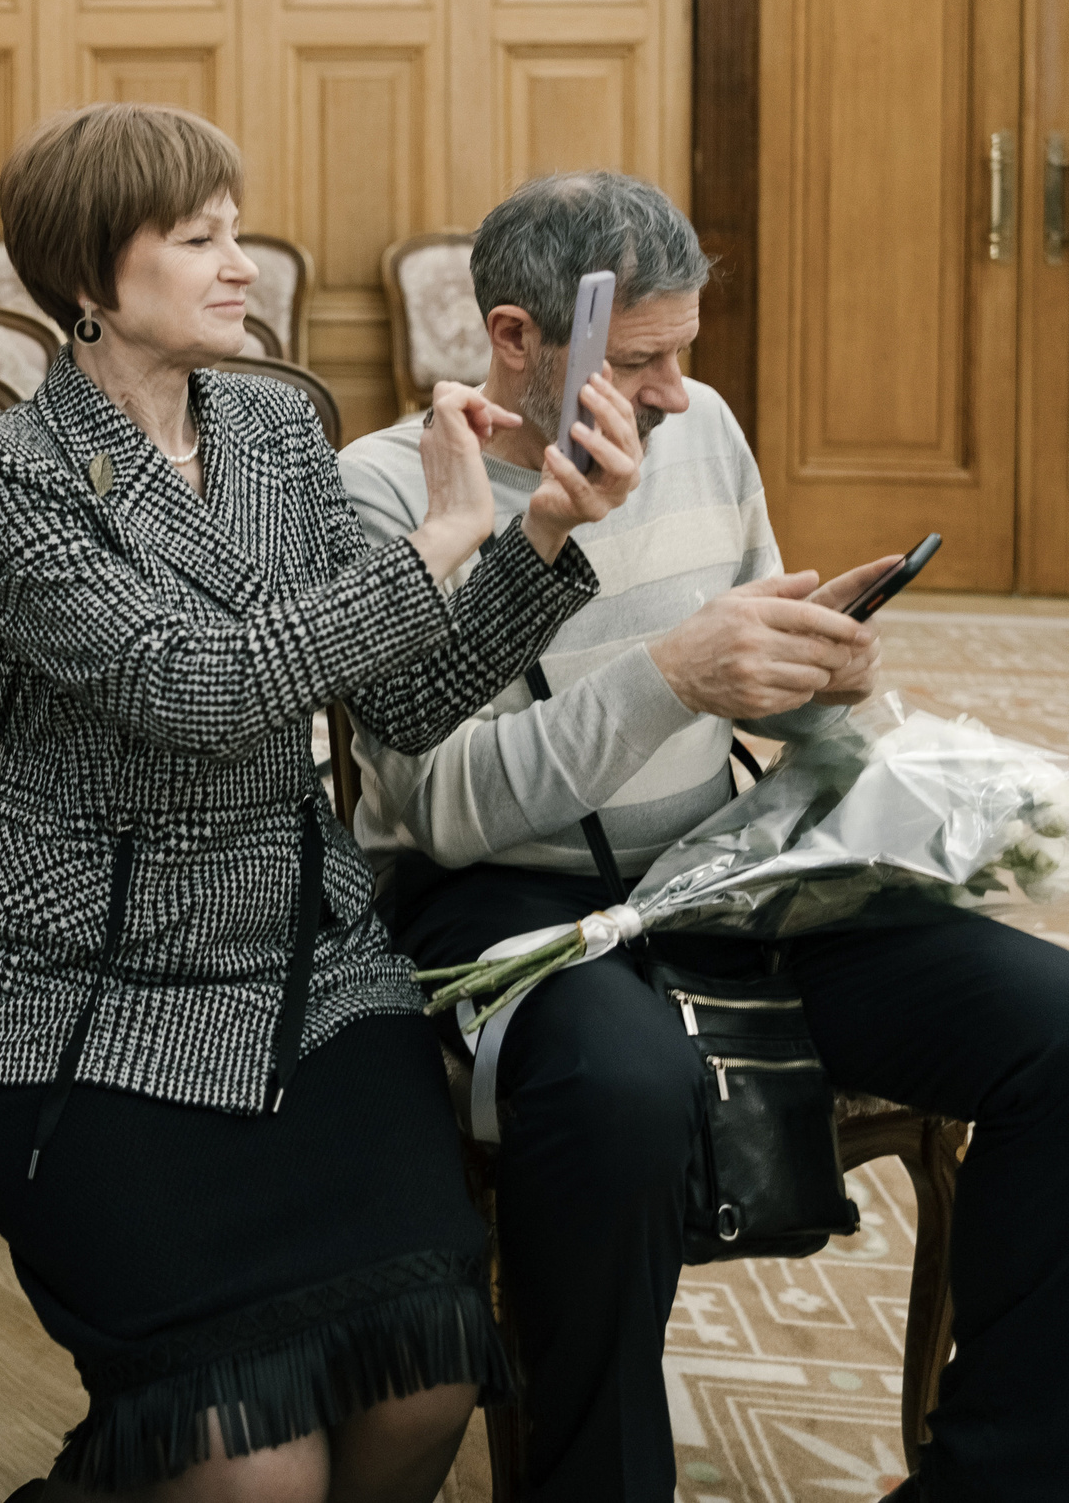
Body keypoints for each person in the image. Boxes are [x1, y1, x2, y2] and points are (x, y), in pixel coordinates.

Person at [0, 103, 646, 1503]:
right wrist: (431, 543)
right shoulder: (7, 472)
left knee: (428, 1380)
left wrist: (539, 534)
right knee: (252, 1471)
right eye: (199, 238)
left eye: (235, 229)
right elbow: (195, 688)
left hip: (302, 957)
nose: (241, 262)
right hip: (81, 987)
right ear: (86, 276)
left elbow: (408, 701)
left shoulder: (274, 427)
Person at [339, 171, 1069, 1503]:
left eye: (687, 350)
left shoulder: (703, 425)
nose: (677, 389)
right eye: (641, 360)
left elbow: (743, 663)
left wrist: (821, 675)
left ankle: (999, 1478)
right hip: (500, 903)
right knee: (620, 1092)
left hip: (722, 868)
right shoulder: (388, 494)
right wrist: (671, 674)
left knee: (1059, 1019)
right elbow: (438, 808)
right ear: (513, 337)